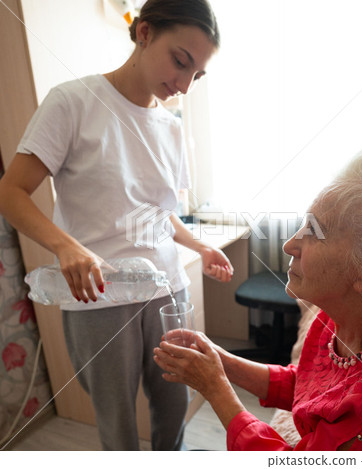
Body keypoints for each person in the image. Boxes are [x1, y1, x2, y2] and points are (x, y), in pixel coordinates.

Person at [0, 0, 231, 451]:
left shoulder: (171, 127)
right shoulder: (72, 102)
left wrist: (199, 247)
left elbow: (159, 213)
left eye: (196, 76)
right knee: (118, 419)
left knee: (173, 403)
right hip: (100, 297)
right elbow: (10, 192)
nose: (183, 85)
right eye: (180, 61)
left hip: (165, 287)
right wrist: (67, 246)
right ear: (144, 32)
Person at [154, 142, 362, 451]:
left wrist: (215, 389)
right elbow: (315, 387)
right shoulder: (343, 313)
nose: (290, 246)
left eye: (314, 233)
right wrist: (222, 362)